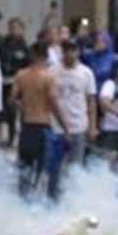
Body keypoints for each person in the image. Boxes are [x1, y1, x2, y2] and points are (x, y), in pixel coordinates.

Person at [11, 43, 69, 199]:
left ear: (32, 56)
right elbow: (53, 102)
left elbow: (12, 100)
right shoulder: (48, 78)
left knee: (24, 170)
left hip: (26, 128)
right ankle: (38, 208)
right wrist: (65, 127)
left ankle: (20, 204)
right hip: (42, 128)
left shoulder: (21, 75)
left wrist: (23, 106)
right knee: (42, 171)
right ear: (44, 58)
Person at [50, 39, 98, 167]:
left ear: (78, 52)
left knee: (75, 167)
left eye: (73, 50)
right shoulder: (52, 71)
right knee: (54, 167)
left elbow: (91, 101)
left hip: (78, 126)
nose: (70, 54)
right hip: (56, 127)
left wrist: (92, 126)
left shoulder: (86, 73)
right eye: (66, 50)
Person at [0, 18, 29, 145]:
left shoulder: (24, 47)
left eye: (17, 27)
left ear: (22, 30)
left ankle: (12, 139)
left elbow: (26, 66)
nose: (14, 30)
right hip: (1, 82)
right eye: (12, 27)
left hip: (16, 83)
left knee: (13, 112)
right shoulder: (1, 43)